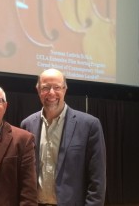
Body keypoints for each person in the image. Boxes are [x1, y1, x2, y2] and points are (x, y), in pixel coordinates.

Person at [20, 68, 106, 206]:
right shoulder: (27, 124)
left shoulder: (89, 125)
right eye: (45, 88)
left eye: (57, 87)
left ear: (65, 89)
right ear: (38, 91)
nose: (51, 93)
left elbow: (97, 179)